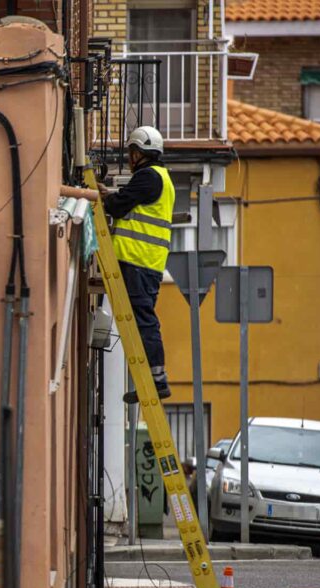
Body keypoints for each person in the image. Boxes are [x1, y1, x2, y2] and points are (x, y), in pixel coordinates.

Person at [99, 126, 175, 404]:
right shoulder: (160, 179)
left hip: (137, 260)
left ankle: (157, 381)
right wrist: (111, 194)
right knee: (142, 322)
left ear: (138, 153)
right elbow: (129, 201)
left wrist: (105, 197)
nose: (130, 159)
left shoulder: (147, 177)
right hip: (147, 263)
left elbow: (118, 207)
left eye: (132, 153)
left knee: (143, 321)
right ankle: (149, 381)